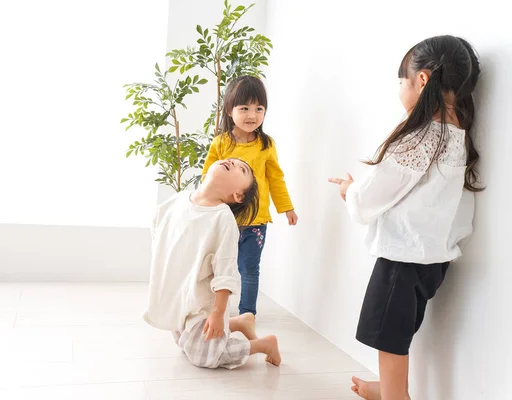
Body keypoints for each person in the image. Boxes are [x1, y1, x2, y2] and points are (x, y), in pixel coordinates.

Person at [329, 35, 483, 400]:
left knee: (389, 336)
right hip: (434, 257)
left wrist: (350, 190)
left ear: (423, 80)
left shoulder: (417, 140)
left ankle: (396, 395)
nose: (400, 87)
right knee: (400, 329)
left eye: (402, 80)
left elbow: (372, 199)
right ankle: (389, 386)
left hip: (402, 257)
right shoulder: (457, 130)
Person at [144, 158, 281, 369]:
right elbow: (158, 230)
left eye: (241, 168)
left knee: (204, 357)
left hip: (205, 304)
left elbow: (225, 272)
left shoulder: (222, 219)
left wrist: (217, 313)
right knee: (182, 341)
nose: (232, 163)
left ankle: (263, 344)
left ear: (238, 195)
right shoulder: (178, 200)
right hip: (180, 294)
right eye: (231, 161)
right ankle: (240, 322)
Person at [202, 75, 298, 317]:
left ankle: (247, 315)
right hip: (225, 220)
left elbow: (276, 178)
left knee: (249, 269)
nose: (252, 115)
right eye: (244, 108)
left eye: (259, 108)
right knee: (220, 267)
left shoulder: (266, 145)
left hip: (256, 222)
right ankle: (215, 311)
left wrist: (287, 208)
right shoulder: (221, 143)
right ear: (229, 109)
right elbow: (207, 178)